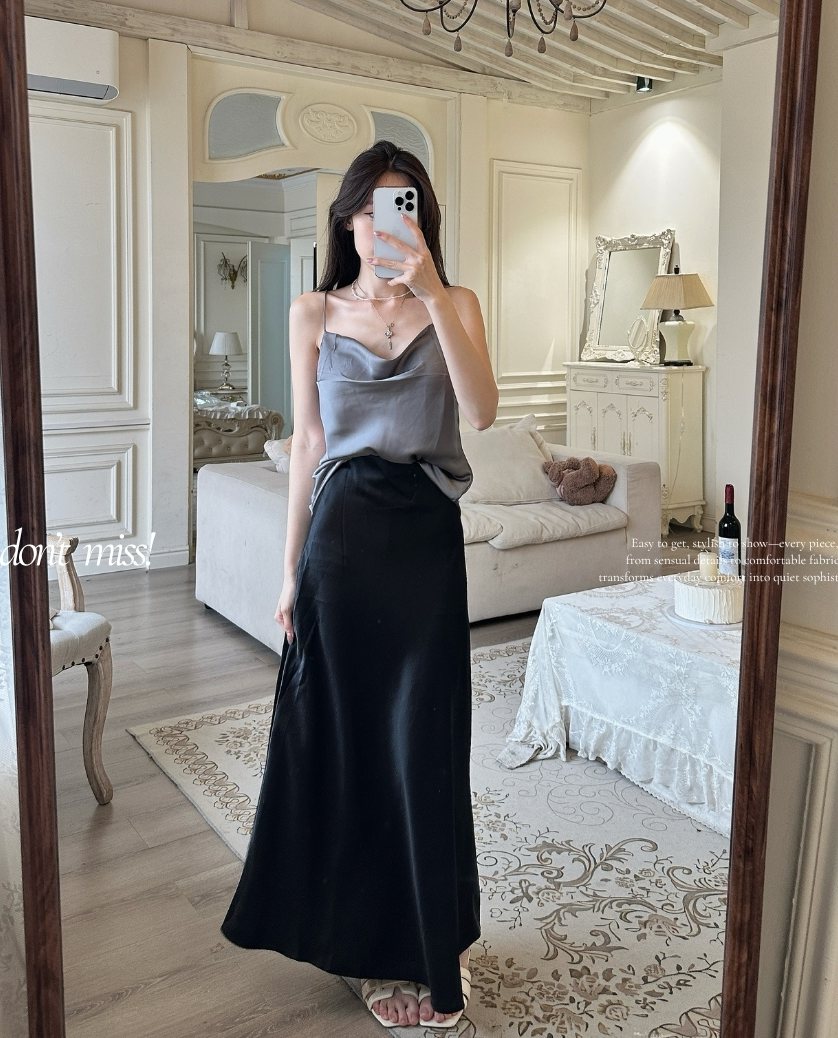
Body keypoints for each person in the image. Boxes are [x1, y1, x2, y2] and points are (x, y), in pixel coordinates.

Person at [220, 140, 498, 1029]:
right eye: (373, 208)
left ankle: (430, 945)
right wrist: (289, 572)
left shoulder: (457, 302)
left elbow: (482, 411)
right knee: (351, 749)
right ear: (347, 220)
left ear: (421, 219)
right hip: (340, 547)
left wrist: (431, 294)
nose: (386, 224)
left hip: (425, 543)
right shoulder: (312, 311)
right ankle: (369, 951)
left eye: (403, 206)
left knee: (423, 746)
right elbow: (309, 444)